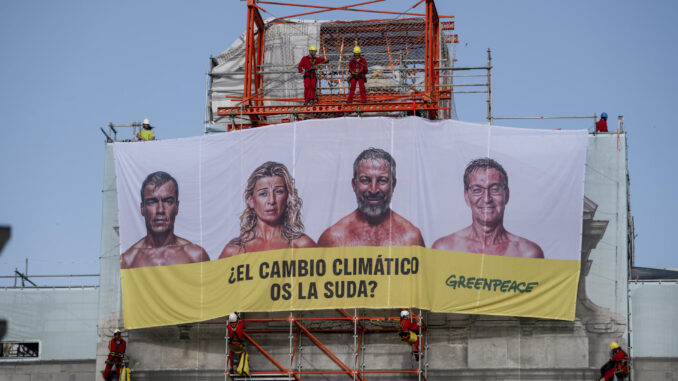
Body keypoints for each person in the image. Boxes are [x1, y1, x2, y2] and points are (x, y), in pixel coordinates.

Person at [432, 158, 544, 258]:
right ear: (467, 197)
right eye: (477, 190)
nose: (486, 198)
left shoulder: (528, 254)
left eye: (495, 189)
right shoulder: (444, 249)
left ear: (507, 195)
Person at [317, 148, 425, 247]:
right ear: (354, 185)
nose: (373, 190)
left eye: (382, 180)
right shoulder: (333, 238)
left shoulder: (411, 238)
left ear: (393, 185)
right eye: (365, 180)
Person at [219, 162, 316, 257]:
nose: (271, 200)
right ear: (251, 200)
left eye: (279, 192)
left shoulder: (302, 245)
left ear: (287, 198)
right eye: (263, 194)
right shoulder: (234, 250)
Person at [121, 171, 209, 269]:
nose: (160, 210)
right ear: (142, 208)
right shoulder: (127, 261)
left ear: (177, 207)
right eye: (152, 202)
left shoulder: (196, 256)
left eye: (168, 201)